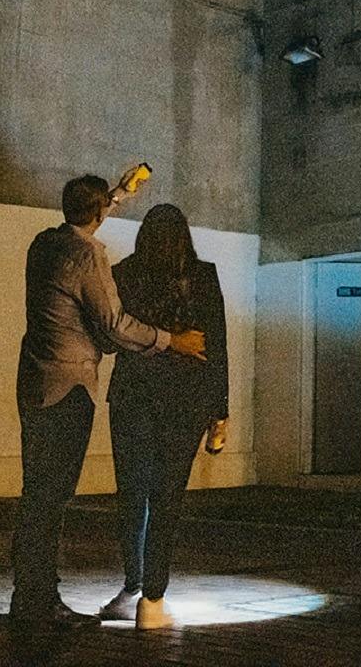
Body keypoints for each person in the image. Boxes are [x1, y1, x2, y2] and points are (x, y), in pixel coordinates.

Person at [10, 175, 206, 630]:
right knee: (52, 499)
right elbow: (114, 324)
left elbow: (86, 217)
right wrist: (170, 340)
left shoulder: (44, 245)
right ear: (98, 215)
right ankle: (40, 601)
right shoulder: (88, 256)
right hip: (70, 386)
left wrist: (117, 194)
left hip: (35, 380)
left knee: (35, 492)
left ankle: (28, 593)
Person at [97, 203, 229, 631]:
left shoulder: (124, 274)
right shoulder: (203, 275)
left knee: (132, 493)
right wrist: (220, 413)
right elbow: (217, 347)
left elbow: (112, 336)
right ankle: (152, 598)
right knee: (167, 496)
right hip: (187, 399)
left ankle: (132, 585)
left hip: (134, 395)